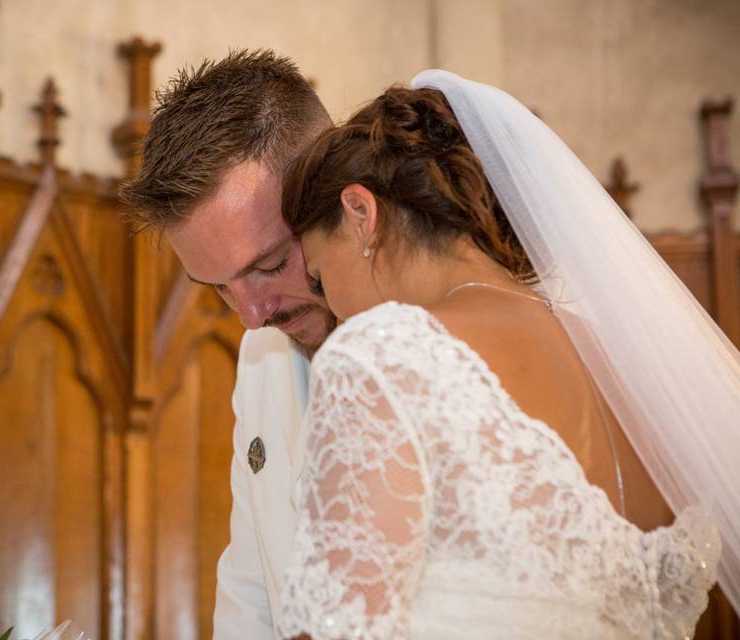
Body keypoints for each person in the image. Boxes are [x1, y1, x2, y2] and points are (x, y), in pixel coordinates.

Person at [276, 71, 739, 639]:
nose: (335, 312)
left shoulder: (381, 357)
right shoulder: (632, 370)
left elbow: (335, 629)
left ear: (360, 214)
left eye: (320, 278)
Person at [119, 50, 335, 638]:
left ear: (340, 192)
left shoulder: (448, 340)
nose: (251, 316)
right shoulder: (260, 357)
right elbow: (249, 579)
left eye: (269, 264)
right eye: (218, 287)